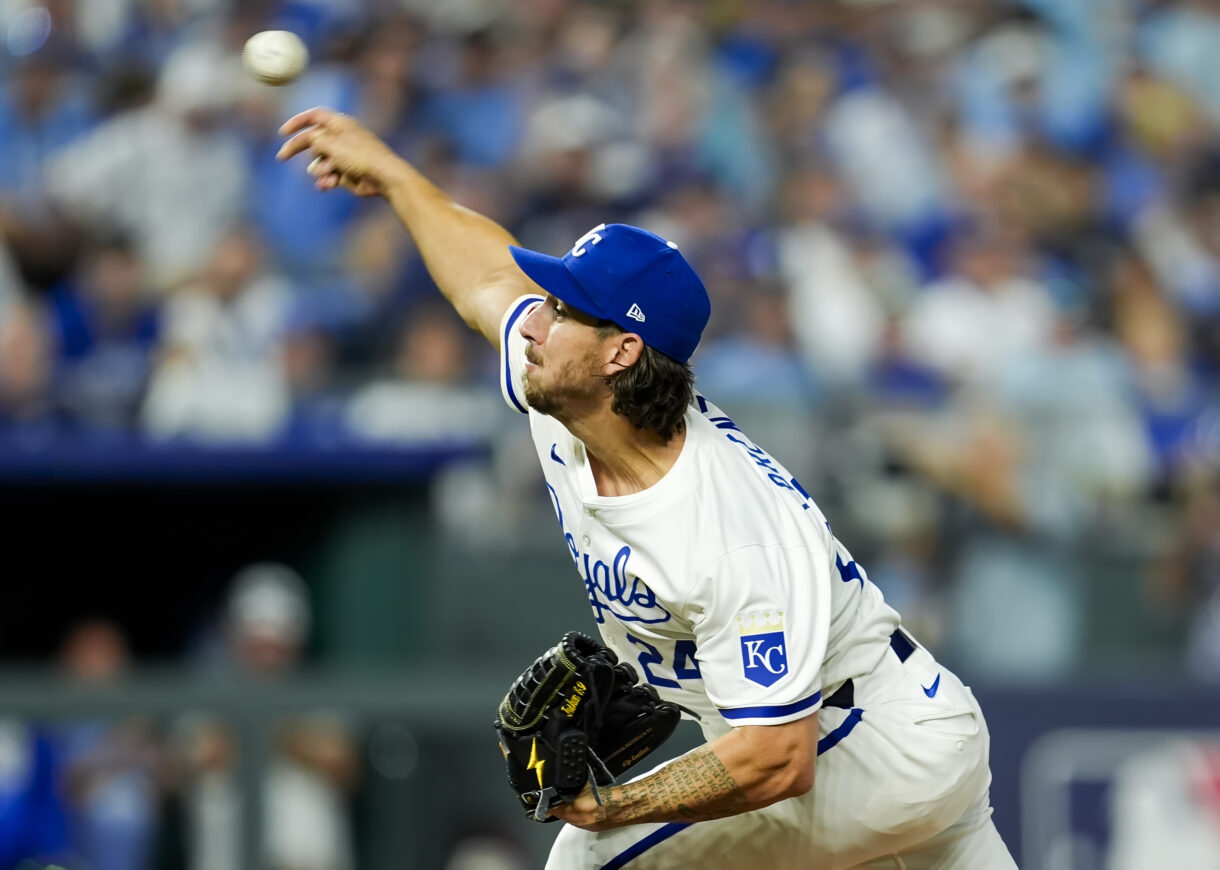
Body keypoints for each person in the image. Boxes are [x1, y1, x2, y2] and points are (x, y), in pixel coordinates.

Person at [277, 107, 1018, 870]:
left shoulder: (725, 526)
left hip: (869, 746)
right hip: (903, 732)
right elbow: (487, 278)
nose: (535, 322)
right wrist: (397, 178)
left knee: (589, 855)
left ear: (622, 353)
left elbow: (776, 758)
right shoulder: (570, 400)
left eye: (562, 309)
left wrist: (613, 805)